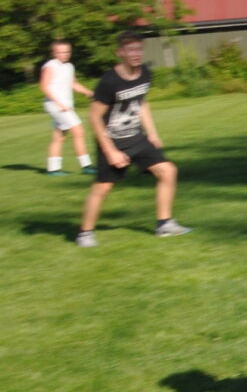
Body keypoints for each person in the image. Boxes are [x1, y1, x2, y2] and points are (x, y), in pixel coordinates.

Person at [75, 33, 190, 247]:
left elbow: (142, 103)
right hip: (112, 141)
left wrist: (152, 133)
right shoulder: (109, 82)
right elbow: (94, 117)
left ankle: (164, 224)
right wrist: (110, 151)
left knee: (168, 171)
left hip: (137, 138)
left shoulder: (145, 73)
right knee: (103, 188)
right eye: (131, 50)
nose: (136, 54)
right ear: (120, 53)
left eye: (139, 49)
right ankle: (85, 233)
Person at [40, 39, 94, 175]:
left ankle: (53, 169)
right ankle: (86, 166)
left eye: (67, 51)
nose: (64, 54)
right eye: (60, 52)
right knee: (79, 132)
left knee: (59, 137)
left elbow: (73, 84)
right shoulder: (50, 66)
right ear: (54, 53)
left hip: (65, 106)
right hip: (55, 105)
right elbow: (44, 87)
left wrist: (89, 92)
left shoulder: (69, 66)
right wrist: (59, 104)